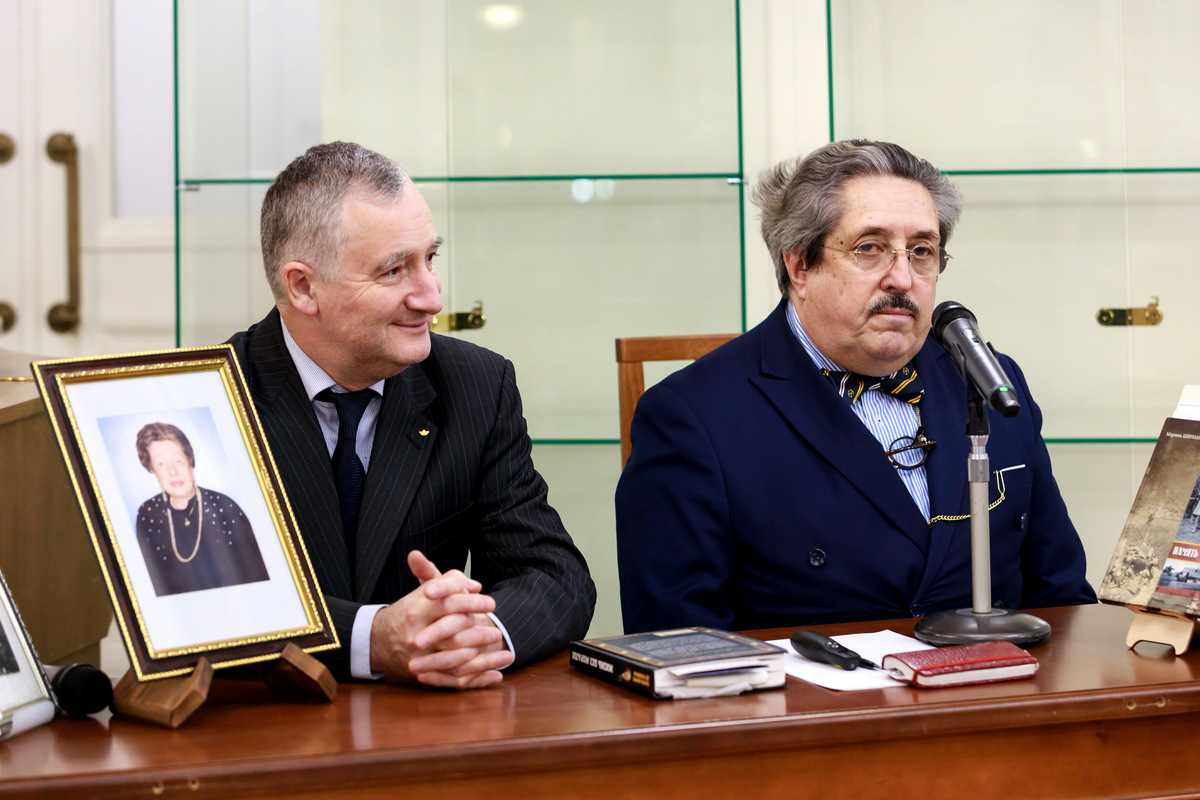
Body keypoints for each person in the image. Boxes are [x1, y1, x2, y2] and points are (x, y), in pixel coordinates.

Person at [616, 139, 1096, 634]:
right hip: (813, 685)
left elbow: (1063, 601)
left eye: (922, 251)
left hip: (998, 679)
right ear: (799, 266)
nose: (903, 278)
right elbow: (678, 647)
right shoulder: (693, 416)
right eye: (870, 248)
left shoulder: (989, 382)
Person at [227, 141, 595, 688]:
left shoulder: (476, 384)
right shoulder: (210, 400)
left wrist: (477, 634)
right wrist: (371, 638)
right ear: (303, 287)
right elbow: (201, 609)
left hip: (432, 715)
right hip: (266, 721)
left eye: (430, 259)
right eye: (395, 270)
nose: (431, 297)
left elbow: (555, 578)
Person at [134, 422, 269, 596]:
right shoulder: (148, 515)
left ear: (190, 460)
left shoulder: (226, 508)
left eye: (178, 460)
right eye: (161, 464)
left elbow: (259, 578)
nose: (172, 471)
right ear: (151, 469)